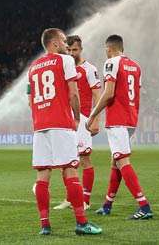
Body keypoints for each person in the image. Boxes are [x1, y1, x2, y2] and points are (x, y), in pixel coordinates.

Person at [27, 28, 102, 236]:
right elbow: (74, 93)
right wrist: (77, 118)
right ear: (53, 43)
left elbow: (29, 99)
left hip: (40, 126)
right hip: (61, 123)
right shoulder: (65, 61)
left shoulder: (33, 67)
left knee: (42, 175)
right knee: (69, 170)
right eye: (62, 40)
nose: (65, 44)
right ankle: (81, 223)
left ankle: (44, 225)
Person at [87, 34, 153, 220]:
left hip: (117, 118)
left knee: (122, 161)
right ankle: (107, 204)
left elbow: (108, 93)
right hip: (131, 119)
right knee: (115, 161)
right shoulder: (136, 66)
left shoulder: (111, 63)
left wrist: (93, 114)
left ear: (108, 49)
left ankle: (144, 206)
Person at [54, 35, 101, 210]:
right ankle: (70, 198)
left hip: (83, 119)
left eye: (75, 50)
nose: (71, 53)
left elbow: (98, 95)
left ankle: (85, 200)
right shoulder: (64, 68)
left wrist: (95, 119)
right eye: (69, 50)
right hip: (66, 120)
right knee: (66, 161)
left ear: (81, 49)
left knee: (84, 159)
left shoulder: (89, 69)